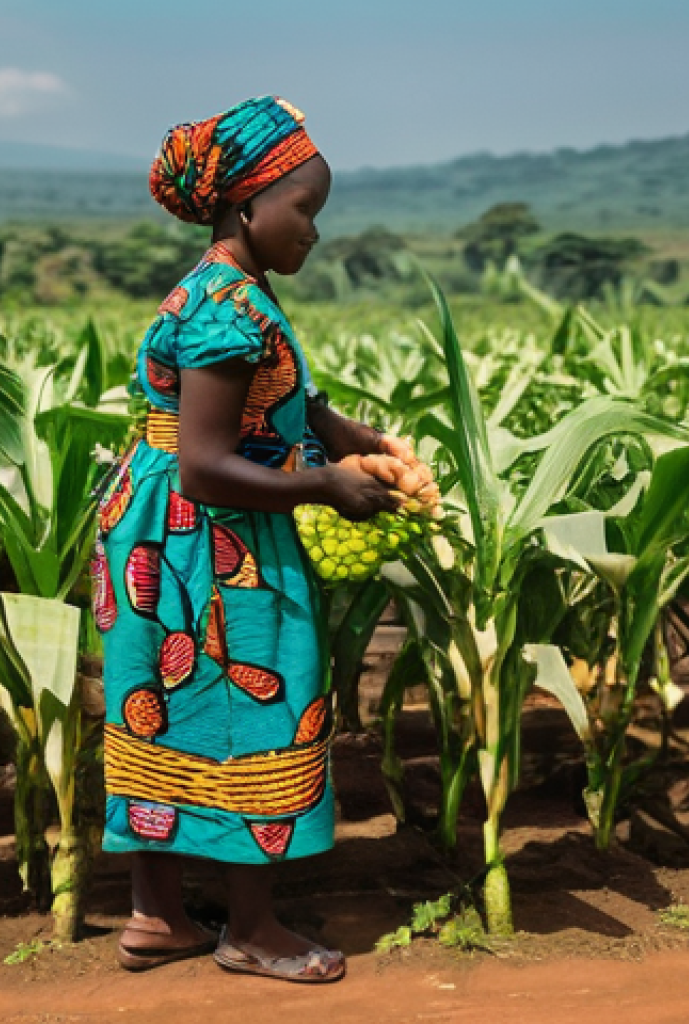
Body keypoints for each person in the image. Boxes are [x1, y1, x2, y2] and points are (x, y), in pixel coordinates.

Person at [94, 95, 415, 983]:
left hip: (159, 535)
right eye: (304, 209)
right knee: (252, 711)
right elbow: (204, 464)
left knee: (163, 713)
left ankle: (158, 917)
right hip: (209, 541)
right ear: (246, 207)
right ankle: (253, 929)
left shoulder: (233, 290)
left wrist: (343, 433)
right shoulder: (224, 312)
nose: (314, 230)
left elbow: (275, 398)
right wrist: (322, 484)